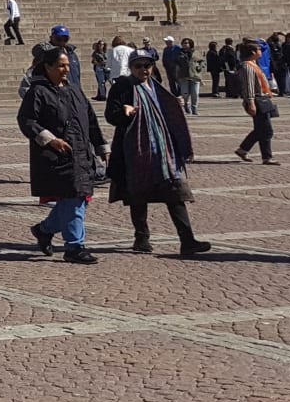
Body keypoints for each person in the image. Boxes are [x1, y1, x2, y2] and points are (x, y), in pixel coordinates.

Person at [105, 49, 211, 256]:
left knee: (176, 192)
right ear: (131, 67)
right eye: (139, 66)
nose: (144, 70)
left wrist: (175, 104)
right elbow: (111, 115)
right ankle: (141, 238)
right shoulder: (123, 86)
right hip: (136, 150)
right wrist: (124, 112)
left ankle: (187, 240)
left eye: (148, 65)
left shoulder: (157, 86)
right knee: (138, 193)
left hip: (163, 150)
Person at [17, 43, 106, 264]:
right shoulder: (38, 91)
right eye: (60, 66)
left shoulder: (74, 89)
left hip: (82, 153)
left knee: (77, 201)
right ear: (47, 67)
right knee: (74, 199)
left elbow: (91, 119)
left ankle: (44, 229)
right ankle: (74, 247)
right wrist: (49, 139)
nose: (65, 69)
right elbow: (26, 120)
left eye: (67, 65)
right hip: (57, 156)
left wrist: (101, 146)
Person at [233, 40, 278, 164]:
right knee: (266, 130)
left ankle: (243, 150)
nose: (260, 52)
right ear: (253, 52)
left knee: (260, 129)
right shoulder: (247, 66)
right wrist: (251, 102)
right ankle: (267, 157)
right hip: (257, 100)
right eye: (258, 49)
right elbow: (249, 86)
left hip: (262, 98)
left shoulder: (254, 64)